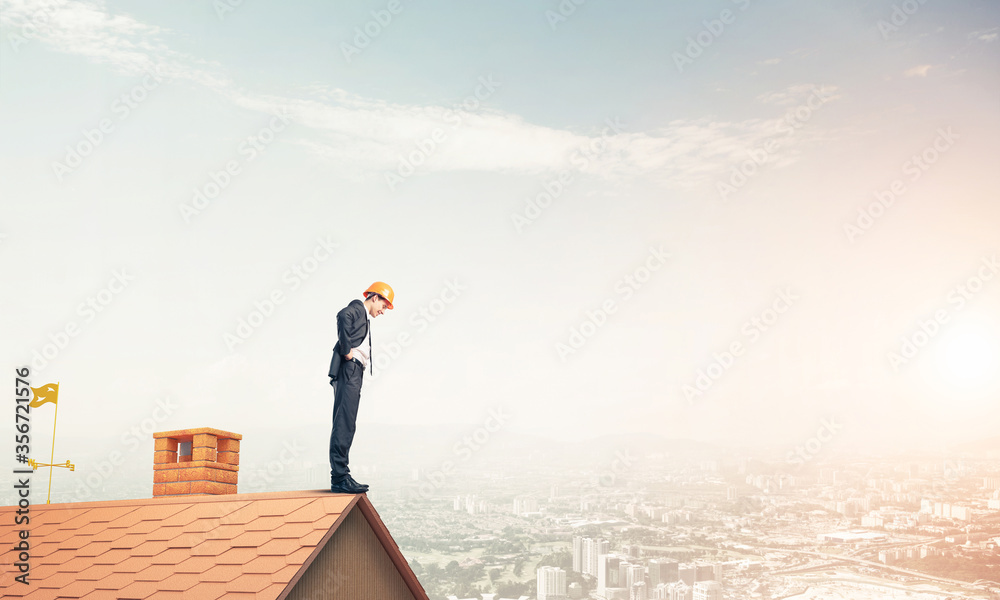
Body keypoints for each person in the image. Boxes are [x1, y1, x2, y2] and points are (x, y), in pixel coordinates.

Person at [328, 281, 394, 494]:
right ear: (375, 297)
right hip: (349, 369)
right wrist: (347, 349)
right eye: (384, 306)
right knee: (344, 423)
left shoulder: (364, 317)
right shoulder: (357, 308)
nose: (383, 312)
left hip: (354, 372)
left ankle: (342, 475)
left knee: (347, 422)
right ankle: (339, 478)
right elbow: (342, 315)